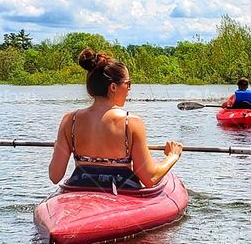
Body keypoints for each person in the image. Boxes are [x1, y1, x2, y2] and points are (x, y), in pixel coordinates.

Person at [49, 48, 183, 190]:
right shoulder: (131, 122)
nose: (129, 89)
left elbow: (55, 175)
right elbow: (150, 178)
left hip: (80, 188)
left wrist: (59, 147)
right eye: (128, 83)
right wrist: (173, 155)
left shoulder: (69, 121)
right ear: (113, 87)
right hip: (121, 192)